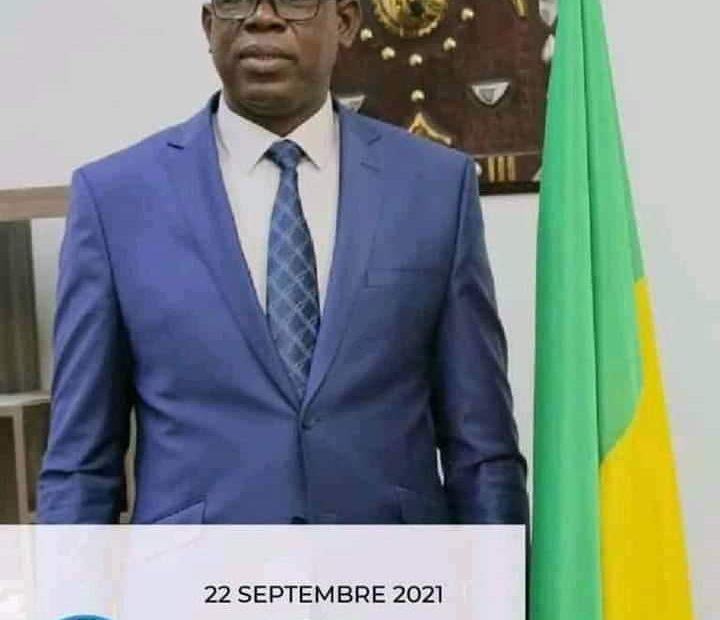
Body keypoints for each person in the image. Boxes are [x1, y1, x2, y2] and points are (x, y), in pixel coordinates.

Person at [37, 0, 528, 525]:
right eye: (236, 2)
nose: (262, 18)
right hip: (196, 572)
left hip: (390, 567)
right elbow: (80, 464)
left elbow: (482, 449)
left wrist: (498, 571)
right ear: (209, 24)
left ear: (345, 22)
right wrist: (74, 580)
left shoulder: (434, 186)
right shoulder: (115, 199)